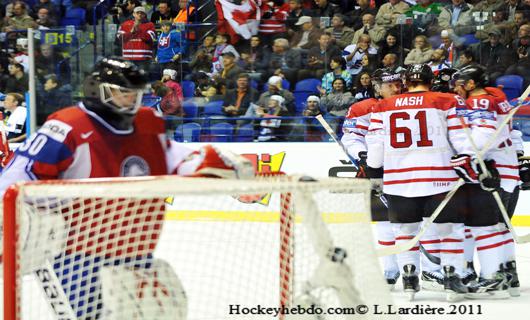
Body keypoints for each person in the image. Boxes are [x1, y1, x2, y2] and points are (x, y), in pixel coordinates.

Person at [0, 57, 253, 319]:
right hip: (78, 255)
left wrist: (205, 162)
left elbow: (167, 155)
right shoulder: (67, 126)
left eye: (135, 94)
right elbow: (17, 177)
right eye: (122, 93)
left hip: (136, 247)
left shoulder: (146, 121)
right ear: (96, 90)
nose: (131, 101)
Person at [366, 64, 469, 301]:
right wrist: (470, 162)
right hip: (440, 178)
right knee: (449, 229)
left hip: (399, 181)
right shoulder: (446, 100)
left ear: (405, 83)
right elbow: (460, 139)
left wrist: (375, 173)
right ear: (430, 81)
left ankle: (410, 279)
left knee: (405, 230)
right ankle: (452, 280)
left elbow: (375, 145)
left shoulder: (383, 106)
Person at [451, 65, 519, 297]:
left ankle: (494, 277)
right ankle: (509, 275)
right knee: (500, 227)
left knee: (484, 227)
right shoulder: (495, 99)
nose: (456, 89)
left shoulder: (480, 102)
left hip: (494, 172)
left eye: (460, 84)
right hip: (506, 170)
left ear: (471, 84)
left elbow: (483, 136)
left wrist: (465, 153)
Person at [341, 68, 403, 288]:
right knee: (384, 220)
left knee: (414, 221)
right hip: (376, 170)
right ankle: (390, 269)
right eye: (390, 84)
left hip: (408, 169)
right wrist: (362, 155)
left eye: (398, 83)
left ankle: (420, 270)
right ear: (376, 87)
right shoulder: (361, 108)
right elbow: (350, 138)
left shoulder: (410, 102)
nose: (396, 88)